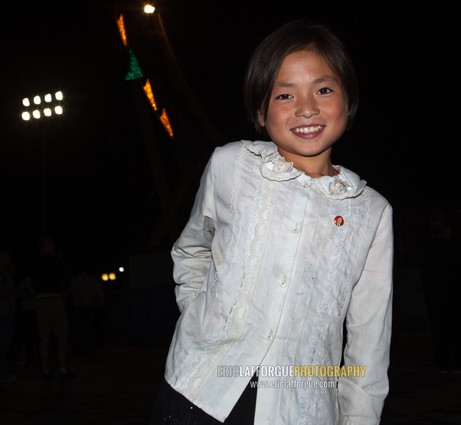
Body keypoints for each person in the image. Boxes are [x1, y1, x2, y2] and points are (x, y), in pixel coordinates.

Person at [150, 19, 394, 425]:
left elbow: (369, 341)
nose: (306, 107)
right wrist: (201, 318)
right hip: (197, 393)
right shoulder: (229, 166)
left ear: (348, 101)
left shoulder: (371, 211)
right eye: (285, 94)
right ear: (260, 111)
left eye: (323, 89)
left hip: (301, 411)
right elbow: (192, 249)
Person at [418, 219, 461, 374]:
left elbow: (424, 274)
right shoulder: (451, 247)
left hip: (435, 296)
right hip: (454, 295)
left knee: (439, 331)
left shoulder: (427, 250)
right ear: (446, 230)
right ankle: (459, 364)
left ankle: (442, 364)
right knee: (458, 330)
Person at [29, 235, 75, 381]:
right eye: (51, 244)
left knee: (44, 337)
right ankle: (62, 369)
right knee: (62, 335)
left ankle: (45, 370)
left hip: (40, 299)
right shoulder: (55, 261)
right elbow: (65, 279)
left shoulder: (34, 263)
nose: (53, 246)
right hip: (54, 298)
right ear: (45, 246)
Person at [0, 248, 18, 383]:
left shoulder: (6, 275)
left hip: (8, 314)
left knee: (5, 344)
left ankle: (2, 372)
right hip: (1, 314)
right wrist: (11, 294)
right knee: (1, 344)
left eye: (8, 258)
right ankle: (0, 374)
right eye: (3, 258)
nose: (6, 260)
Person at [70, 268, 105, 354]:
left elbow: (73, 293)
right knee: (89, 327)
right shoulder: (93, 281)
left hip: (80, 306)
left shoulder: (76, 281)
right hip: (90, 306)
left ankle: (82, 346)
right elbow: (100, 293)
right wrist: (98, 303)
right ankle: (90, 346)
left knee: (81, 327)